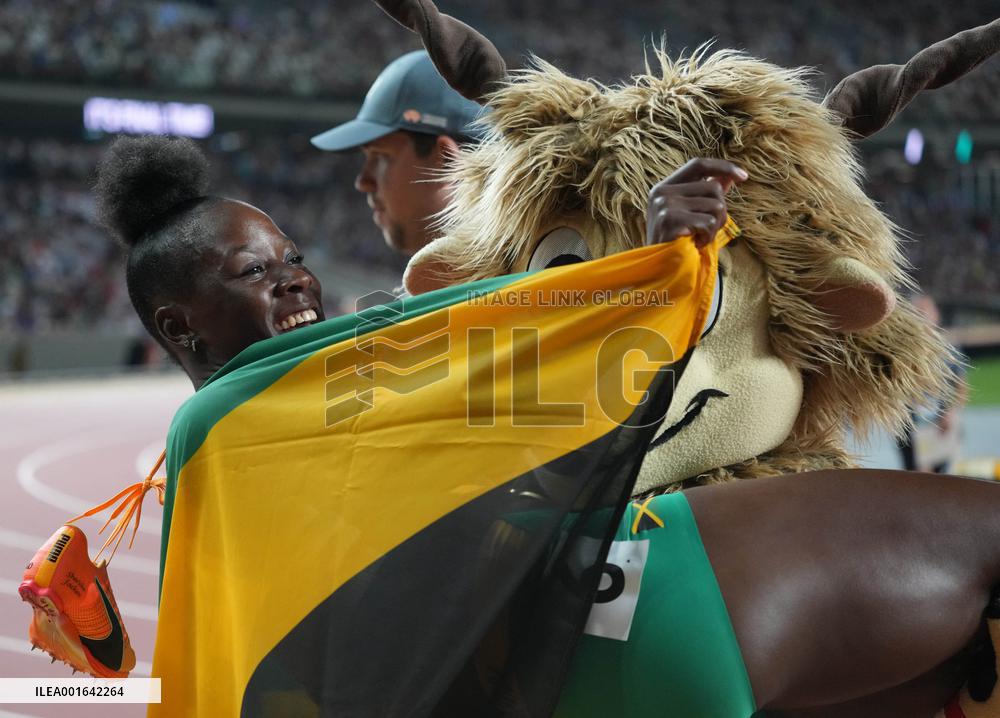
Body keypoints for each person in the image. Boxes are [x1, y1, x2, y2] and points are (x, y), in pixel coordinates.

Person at [18, 136, 1000, 718]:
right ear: (179, 325)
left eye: (291, 255)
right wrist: (645, 273)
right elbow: (527, 339)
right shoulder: (231, 424)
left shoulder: (308, 392)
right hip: (617, 621)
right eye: (253, 270)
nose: (296, 278)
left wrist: (641, 273)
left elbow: (516, 368)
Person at [310, 50, 483, 257]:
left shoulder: (518, 285)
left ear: (448, 163)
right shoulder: (521, 276)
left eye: (381, 156)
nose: (363, 182)